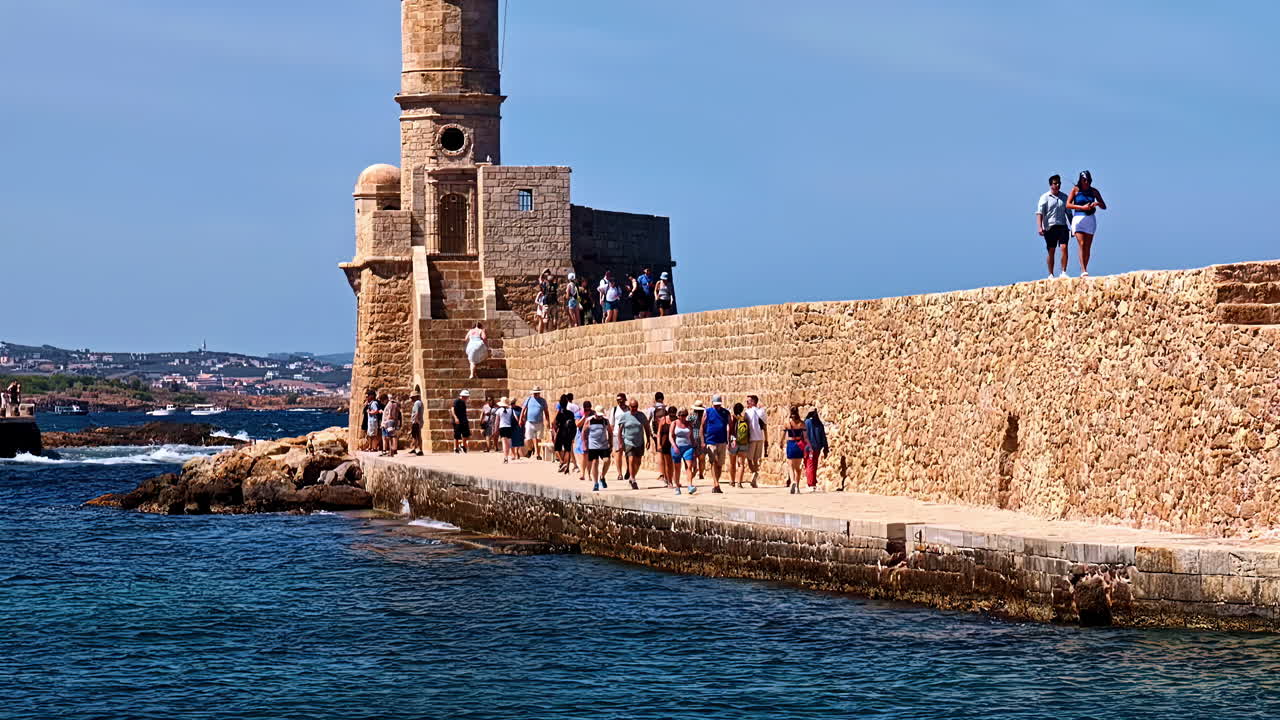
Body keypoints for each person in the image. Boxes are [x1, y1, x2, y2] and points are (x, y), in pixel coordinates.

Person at [1066, 170, 1107, 278]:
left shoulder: (1094, 191)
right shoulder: (1075, 190)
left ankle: (1085, 267)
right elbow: (1068, 205)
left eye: (1088, 180)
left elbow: (1104, 206)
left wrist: (1097, 203)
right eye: (1084, 180)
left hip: (1090, 219)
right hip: (1078, 218)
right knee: (1082, 244)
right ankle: (1083, 269)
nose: (1086, 182)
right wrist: (1082, 207)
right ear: (1080, 180)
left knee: (1088, 246)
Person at [1036, 174, 1073, 279]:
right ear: (1050, 185)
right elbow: (1039, 213)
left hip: (1062, 226)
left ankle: (1063, 272)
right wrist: (1040, 227)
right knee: (1051, 250)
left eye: (1059, 183)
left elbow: (1069, 213)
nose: (1057, 185)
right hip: (1050, 227)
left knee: (1064, 247)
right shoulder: (1045, 197)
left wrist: (1073, 227)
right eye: (1055, 183)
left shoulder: (1064, 197)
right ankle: (1051, 273)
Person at [618, 398, 652, 489]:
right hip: (628, 441)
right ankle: (633, 479)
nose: (634, 408)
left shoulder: (641, 416)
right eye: (632, 407)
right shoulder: (625, 416)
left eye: (636, 407)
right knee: (631, 459)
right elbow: (620, 430)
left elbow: (646, 427)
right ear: (629, 407)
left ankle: (632, 476)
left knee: (638, 462)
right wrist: (620, 442)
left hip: (639, 441)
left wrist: (648, 439)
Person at [701, 394, 731, 493]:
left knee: (720, 464)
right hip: (711, 440)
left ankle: (716, 483)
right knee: (713, 461)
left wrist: (731, 439)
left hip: (722, 441)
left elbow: (730, 425)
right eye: (715, 405)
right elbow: (702, 426)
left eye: (718, 405)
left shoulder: (725, 412)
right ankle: (716, 483)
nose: (717, 406)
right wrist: (702, 440)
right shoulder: (707, 412)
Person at [580, 401, 612, 491]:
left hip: (604, 445)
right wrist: (584, 444)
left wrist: (611, 443)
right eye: (598, 415)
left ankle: (602, 477)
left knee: (607, 461)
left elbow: (610, 432)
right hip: (593, 445)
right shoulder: (589, 420)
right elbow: (584, 432)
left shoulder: (605, 421)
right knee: (595, 462)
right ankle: (596, 483)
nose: (599, 417)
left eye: (601, 415)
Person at [669, 408, 697, 494]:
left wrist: (694, 446)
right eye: (682, 415)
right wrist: (674, 446)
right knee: (677, 468)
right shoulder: (674, 423)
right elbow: (670, 436)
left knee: (689, 466)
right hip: (677, 447)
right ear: (678, 415)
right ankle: (677, 486)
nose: (683, 417)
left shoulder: (688, 424)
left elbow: (691, 436)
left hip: (688, 447)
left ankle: (690, 485)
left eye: (685, 415)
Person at [782, 406, 807, 493]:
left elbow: (782, 436)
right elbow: (805, 437)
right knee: (798, 468)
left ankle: (792, 481)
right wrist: (808, 446)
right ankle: (797, 486)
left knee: (790, 465)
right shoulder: (802, 424)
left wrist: (781, 443)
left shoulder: (787, 423)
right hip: (799, 445)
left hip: (791, 444)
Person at [519, 386, 549, 458]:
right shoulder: (528, 399)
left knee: (538, 438)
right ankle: (530, 449)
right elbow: (523, 409)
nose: (536, 394)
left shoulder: (543, 401)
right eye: (535, 393)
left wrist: (548, 421)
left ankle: (538, 454)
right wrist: (520, 419)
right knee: (528, 438)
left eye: (537, 393)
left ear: (539, 393)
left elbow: (546, 412)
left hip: (539, 422)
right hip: (529, 422)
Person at [804, 409, 829, 492]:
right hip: (816, 448)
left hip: (808, 448)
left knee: (809, 465)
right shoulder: (819, 423)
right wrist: (825, 447)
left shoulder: (806, 422)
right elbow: (823, 437)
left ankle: (811, 483)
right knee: (813, 465)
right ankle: (812, 481)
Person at [744, 395, 768, 485]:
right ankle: (755, 477)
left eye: (748, 401)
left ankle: (754, 473)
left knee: (749, 459)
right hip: (760, 438)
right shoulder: (762, 412)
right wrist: (766, 439)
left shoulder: (747, 412)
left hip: (751, 438)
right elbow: (765, 427)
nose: (747, 403)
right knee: (756, 459)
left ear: (753, 402)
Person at [608, 393, 631, 484]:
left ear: (625, 400)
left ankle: (629, 470)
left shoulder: (629, 409)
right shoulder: (614, 410)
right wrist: (610, 437)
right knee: (618, 453)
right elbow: (611, 424)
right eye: (618, 400)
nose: (620, 402)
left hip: (628, 434)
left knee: (628, 454)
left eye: (621, 400)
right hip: (617, 434)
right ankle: (620, 473)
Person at [729, 402, 753, 488]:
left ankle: (732, 481)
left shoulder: (732, 418)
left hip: (733, 442)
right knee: (741, 464)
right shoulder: (744, 419)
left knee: (732, 463)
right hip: (743, 442)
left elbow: (729, 430)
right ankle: (739, 482)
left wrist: (729, 441)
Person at [647, 392, 668, 483]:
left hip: (656, 434)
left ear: (655, 399)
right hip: (666, 433)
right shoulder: (666, 408)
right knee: (667, 453)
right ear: (663, 398)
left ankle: (662, 474)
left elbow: (647, 421)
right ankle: (668, 473)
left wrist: (650, 434)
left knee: (659, 453)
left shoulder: (652, 409)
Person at [553, 393, 577, 473]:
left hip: (561, 433)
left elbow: (554, 423)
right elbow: (574, 424)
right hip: (569, 433)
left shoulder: (559, 414)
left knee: (556, 448)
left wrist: (555, 431)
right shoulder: (570, 413)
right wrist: (573, 435)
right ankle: (567, 467)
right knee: (568, 450)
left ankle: (562, 462)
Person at [655, 405, 676, 488]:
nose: (672, 417)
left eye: (673, 415)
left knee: (673, 463)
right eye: (671, 415)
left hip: (674, 444)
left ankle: (672, 479)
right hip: (665, 443)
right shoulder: (663, 420)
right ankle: (669, 481)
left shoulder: (676, 420)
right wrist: (659, 444)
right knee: (668, 463)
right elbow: (659, 433)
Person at [496, 397, 516, 463]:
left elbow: (497, 421)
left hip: (502, 427)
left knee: (504, 443)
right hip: (509, 427)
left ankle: (505, 457)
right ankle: (513, 454)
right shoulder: (511, 410)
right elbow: (515, 418)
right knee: (510, 442)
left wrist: (496, 429)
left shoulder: (499, 410)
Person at [452, 389, 471, 453]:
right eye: (467, 397)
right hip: (457, 420)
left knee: (466, 434)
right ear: (463, 396)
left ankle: (463, 445)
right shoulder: (457, 401)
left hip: (463, 420)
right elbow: (452, 409)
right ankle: (456, 448)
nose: (467, 398)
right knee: (457, 435)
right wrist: (455, 418)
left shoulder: (463, 402)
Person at [409, 389, 424, 456]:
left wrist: (415, 420)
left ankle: (420, 449)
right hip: (418, 421)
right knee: (416, 436)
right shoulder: (419, 402)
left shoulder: (417, 403)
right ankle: (415, 448)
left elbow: (417, 413)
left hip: (416, 421)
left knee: (417, 436)